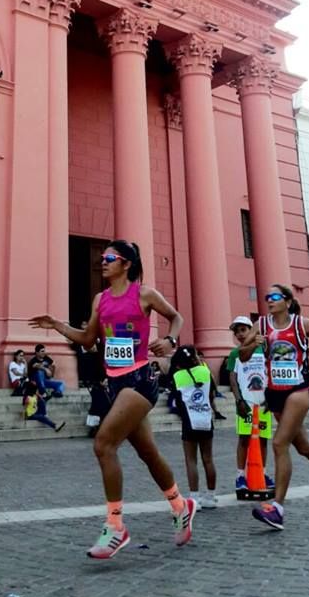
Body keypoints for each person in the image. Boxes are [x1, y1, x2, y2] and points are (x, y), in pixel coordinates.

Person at [30, 239, 196, 559]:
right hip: (115, 383)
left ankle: (116, 526)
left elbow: (176, 317)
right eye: (103, 258)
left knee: (103, 444)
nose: (103, 262)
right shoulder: (100, 299)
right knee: (148, 453)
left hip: (140, 379)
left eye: (110, 257)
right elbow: (88, 339)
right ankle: (180, 504)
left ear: (126, 264)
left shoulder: (144, 294)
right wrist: (57, 325)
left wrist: (170, 340)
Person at [239, 284, 309, 531]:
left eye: (275, 297)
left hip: (299, 389)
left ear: (287, 302)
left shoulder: (301, 324)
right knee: (304, 447)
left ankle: (277, 509)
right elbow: (242, 355)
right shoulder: (261, 325)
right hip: (275, 392)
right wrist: (252, 344)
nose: (269, 301)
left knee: (279, 443)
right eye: (267, 297)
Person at [225, 315, 274, 491]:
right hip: (246, 402)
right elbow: (233, 378)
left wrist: (271, 396)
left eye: (243, 330)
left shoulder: (264, 349)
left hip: (263, 402)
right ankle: (240, 476)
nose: (240, 334)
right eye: (236, 332)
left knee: (263, 439)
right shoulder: (235, 354)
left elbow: (270, 371)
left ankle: (263, 472)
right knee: (244, 439)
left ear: (251, 330)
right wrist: (238, 400)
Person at [171, 345, 218, 509]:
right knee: (208, 459)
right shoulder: (205, 371)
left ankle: (194, 498)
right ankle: (211, 496)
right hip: (205, 418)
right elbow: (212, 393)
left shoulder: (178, 376)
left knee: (191, 460)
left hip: (189, 420)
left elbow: (177, 400)